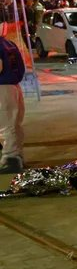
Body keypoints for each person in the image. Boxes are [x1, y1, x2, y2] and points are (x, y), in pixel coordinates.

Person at [0, 34, 26, 174]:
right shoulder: (8, 43)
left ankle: (11, 158)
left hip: (2, 88)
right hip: (13, 87)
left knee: (6, 125)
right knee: (14, 124)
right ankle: (17, 156)